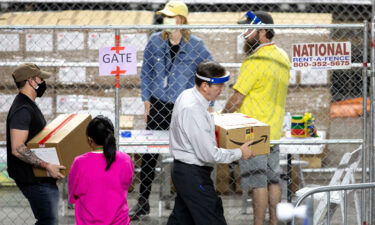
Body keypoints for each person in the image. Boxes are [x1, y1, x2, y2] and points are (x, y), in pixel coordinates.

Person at [134, 0, 213, 220]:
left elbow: (210, 71)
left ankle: (187, 201)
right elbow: (146, 72)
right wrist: (146, 99)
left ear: (181, 20)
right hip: (158, 104)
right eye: (165, 17)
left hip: (183, 108)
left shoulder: (196, 45)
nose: (166, 21)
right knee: (150, 154)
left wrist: (208, 103)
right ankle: (143, 201)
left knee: (186, 153)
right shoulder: (154, 41)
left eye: (171, 16)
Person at [222, 11, 290, 225]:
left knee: (257, 182)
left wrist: (221, 116)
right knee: (273, 180)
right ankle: (274, 222)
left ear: (261, 31)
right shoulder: (282, 56)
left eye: (248, 30)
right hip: (274, 129)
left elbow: (237, 98)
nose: (244, 35)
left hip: (253, 130)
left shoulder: (255, 60)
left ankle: (258, 223)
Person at [166, 61, 255, 225]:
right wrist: (240, 153)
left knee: (181, 220)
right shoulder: (193, 108)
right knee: (213, 219)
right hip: (193, 174)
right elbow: (208, 154)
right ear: (205, 86)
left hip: (184, 171)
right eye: (219, 86)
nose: (222, 90)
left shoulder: (187, 95)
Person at [6, 63, 66, 225]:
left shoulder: (28, 104)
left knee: (48, 220)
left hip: (38, 177)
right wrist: (47, 165)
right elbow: (18, 148)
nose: (43, 82)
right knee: (49, 220)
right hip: (33, 179)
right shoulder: (23, 109)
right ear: (31, 81)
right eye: (40, 78)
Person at [68, 116, 134, 225]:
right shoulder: (125, 159)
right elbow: (128, 185)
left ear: (90, 140)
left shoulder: (79, 162)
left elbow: (73, 194)